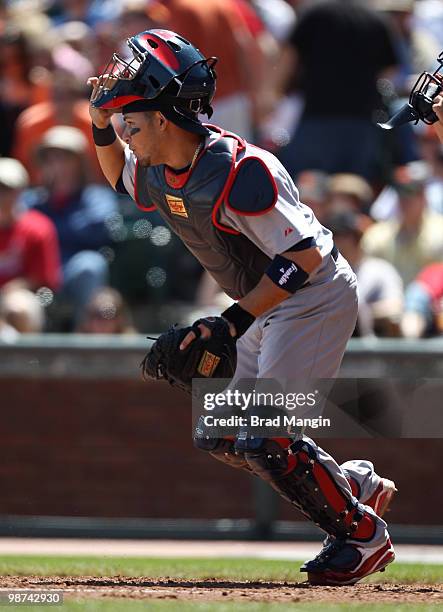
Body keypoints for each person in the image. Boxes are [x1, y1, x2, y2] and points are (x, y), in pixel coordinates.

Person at [88, 28, 395, 586]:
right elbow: (116, 177)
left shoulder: (240, 168)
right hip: (263, 304)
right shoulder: (160, 165)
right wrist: (97, 122)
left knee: (265, 437)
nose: (125, 135)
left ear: (163, 118)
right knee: (223, 433)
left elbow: (301, 258)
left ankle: (361, 534)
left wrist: (230, 324)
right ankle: (352, 486)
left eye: (131, 122)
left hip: (312, 297)